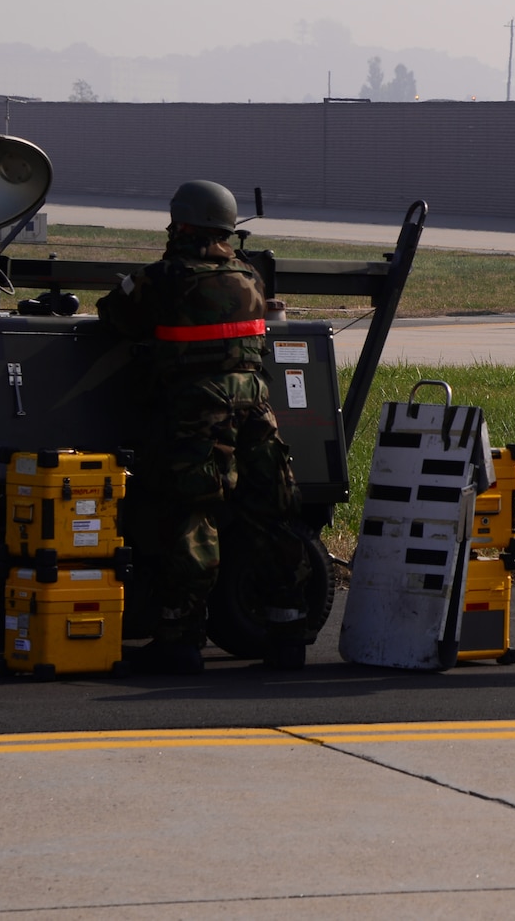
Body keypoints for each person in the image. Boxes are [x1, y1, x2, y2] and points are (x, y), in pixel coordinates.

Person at [97, 180, 308, 674]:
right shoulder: (250, 277)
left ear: (184, 224)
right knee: (272, 515)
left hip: (198, 411)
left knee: (193, 515)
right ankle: (287, 632)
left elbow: (114, 317)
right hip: (256, 408)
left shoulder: (165, 277)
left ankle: (179, 640)